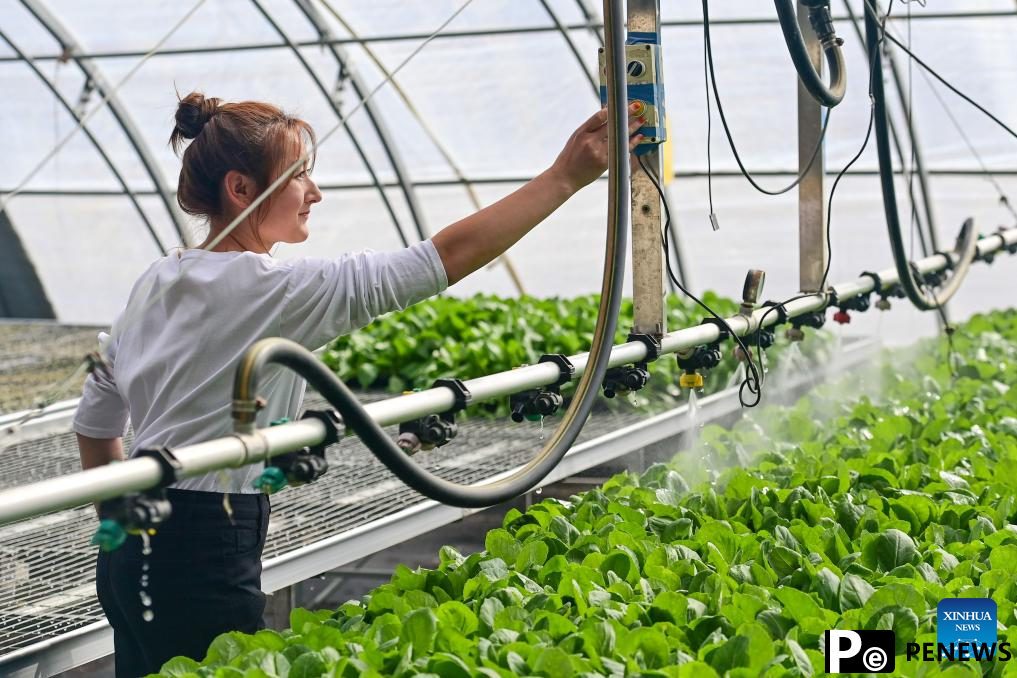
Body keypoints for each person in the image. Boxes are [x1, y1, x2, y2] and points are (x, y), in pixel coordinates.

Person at [72, 91, 645, 676]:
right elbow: (446, 256)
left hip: (129, 549)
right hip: (206, 547)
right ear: (240, 189)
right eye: (300, 177)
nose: (315, 193)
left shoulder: (157, 279)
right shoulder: (273, 292)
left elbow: (94, 423)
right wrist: (565, 177)